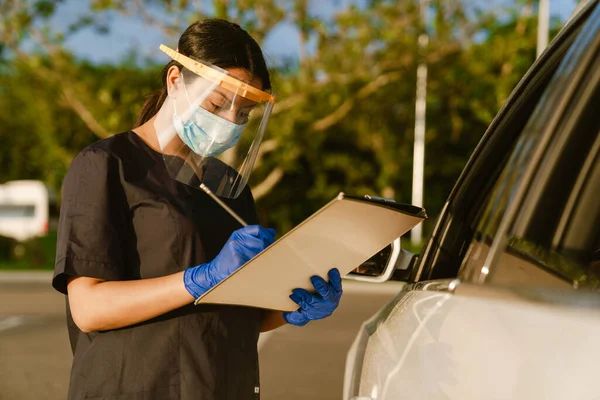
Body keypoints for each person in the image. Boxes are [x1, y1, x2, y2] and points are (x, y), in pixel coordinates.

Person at [52, 18, 343, 400]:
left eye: (243, 114)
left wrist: (290, 309)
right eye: (217, 104)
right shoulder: (107, 165)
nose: (229, 122)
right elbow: (89, 308)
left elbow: (238, 315)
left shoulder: (231, 188)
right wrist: (197, 280)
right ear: (175, 80)